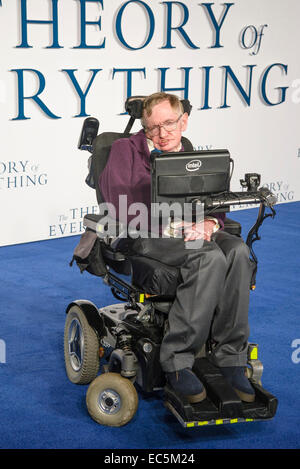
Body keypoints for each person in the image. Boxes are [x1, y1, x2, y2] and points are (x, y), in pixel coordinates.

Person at [99, 92, 255, 404]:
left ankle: (230, 356)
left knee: (237, 251)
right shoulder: (122, 151)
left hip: (193, 230)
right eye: (153, 128)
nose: (163, 133)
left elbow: (214, 205)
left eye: (170, 123)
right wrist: (173, 228)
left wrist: (209, 224)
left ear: (183, 120)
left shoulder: (190, 154)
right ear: (144, 128)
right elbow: (117, 206)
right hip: (145, 233)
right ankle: (178, 361)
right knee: (208, 256)